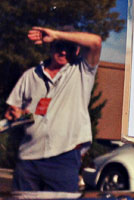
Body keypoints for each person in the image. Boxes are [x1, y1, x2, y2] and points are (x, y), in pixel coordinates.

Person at [4, 26, 102, 192]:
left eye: (69, 48)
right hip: (28, 160)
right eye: (59, 46)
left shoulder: (82, 71)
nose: (63, 52)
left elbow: (96, 42)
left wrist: (56, 35)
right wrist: (16, 114)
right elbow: (15, 110)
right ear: (51, 47)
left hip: (63, 158)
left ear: (77, 50)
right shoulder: (30, 75)